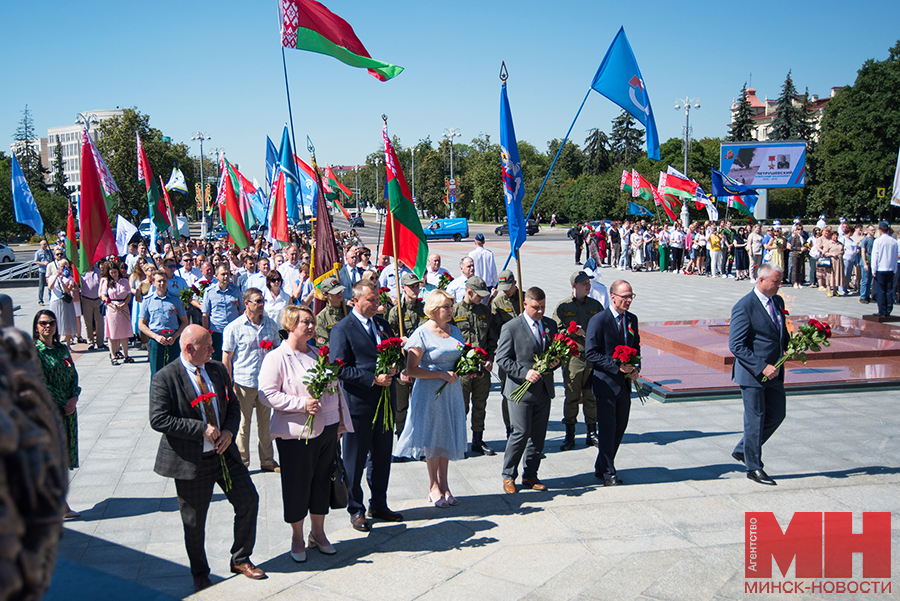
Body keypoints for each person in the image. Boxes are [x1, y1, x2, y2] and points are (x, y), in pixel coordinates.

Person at [149, 325, 265, 592]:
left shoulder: (216, 369)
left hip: (224, 454)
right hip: (192, 461)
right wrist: (200, 429)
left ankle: (241, 559)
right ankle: (200, 572)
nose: (213, 350)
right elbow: (158, 418)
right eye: (208, 346)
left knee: (248, 499)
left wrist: (227, 431)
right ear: (189, 348)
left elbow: (233, 405)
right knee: (194, 521)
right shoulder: (166, 377)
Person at [257, 305, 353, 562]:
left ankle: (318, 534)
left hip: (327, 429)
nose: (311, 327)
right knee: (298, 485)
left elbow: (335, 390)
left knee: (322, 481)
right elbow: (265, 394)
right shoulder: (277, 357)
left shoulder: (319, 354)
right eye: (305, 322)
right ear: (290, 325)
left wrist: (339, 424)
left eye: (312, 322)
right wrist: (301, 404)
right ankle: (297, 537)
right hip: (296, 433)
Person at [328, 279, 402, 532]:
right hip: (359, 405)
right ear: (355, 300)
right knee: (354, 460)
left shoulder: (382, 324)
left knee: (382, 458)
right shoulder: (343, 328)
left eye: (377, 299)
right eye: (370, 300)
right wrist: (372, 379)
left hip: (384, 405)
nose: (376, 304)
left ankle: (379, 503)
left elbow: (397, 355)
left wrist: (395, 366)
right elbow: (337, 367)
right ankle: (356, 509)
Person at [394, 289, 466, 506]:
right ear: (433, 310)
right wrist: (439, 374)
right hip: (429, 392)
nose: (450, 310)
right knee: (433, 438)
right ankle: (432, 485)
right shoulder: (421, 333)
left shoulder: (455, 331)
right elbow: (411, 370)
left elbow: (461, 356)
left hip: (451, 391)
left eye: (451, 306)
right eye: (446, 307)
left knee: (447, 435)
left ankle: (445, 484)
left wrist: (468, 366)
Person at [729, 264, 789, 486]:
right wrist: (761, 366)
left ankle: (743, 449)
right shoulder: (744, 306)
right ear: (761, 280)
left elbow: (779, 331)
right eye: (776, 281)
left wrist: (795, 345)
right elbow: (735, 345)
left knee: (777, 414)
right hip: (753, 374)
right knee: (755, 420)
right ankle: (754, 467)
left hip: (775, 372)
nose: (779, 284)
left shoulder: (777, 301)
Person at [496, 287, 560, 493]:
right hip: (519, 391)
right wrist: (525, 373)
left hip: (543, 389)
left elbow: (554, 353)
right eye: (535, 307)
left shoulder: (550, 325)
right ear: (525, 305)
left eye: (543, 307)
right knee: (520, 433)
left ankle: (531, 474)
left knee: (538, 435)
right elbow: (502, 359)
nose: (540, 311)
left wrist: (556, 362)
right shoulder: (512, 327)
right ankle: (508, 475)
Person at [585, 280, 640, 487]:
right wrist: (617, 366)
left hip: (624, 384)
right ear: (613, 297)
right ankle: (609, 472)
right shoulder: (599, 320)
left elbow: (636, 348)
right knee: (607, 429)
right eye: (625, 296)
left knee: (620, 427)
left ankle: (601, 465)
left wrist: (635, 369)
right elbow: (591, 353)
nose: (628, 301)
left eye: (631, 296)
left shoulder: (631, 320)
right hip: (605, 383)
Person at [223, 287, 281, 473]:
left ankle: (267, 460)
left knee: (266, 424)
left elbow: (278, 353)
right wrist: (229, 384)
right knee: (243, 425)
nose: (261, 304)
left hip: (266, 383)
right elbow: (227, 359)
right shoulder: (234, 327)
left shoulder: (271, 325)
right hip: (243, 383)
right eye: (257, 301)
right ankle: (242, 462)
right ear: (246, 304)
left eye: (262, 301)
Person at [33, 309, 81, 519]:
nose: (47, 326)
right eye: (43, 323)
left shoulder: (62, 349)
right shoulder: (35, 352)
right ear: (36, 327)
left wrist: (74, 397)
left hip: (67, 411)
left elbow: (73, 375)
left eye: (51, 323)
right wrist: (64, 401)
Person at [554, 271, 603, 450]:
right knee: (572, 396)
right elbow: (556, 331)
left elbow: (603, 327)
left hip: (591, 357)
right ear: (574, 285)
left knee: (591, 396)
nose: (587, 286)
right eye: (583, 283)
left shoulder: (595, 305)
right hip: (573, 358)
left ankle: (592, 433)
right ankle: (570, 435)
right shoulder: (564, 307)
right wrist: (571, 332)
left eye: (588, 283)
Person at [452, 276, 499, 456]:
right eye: (478, 295)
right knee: (460, 408)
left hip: (481, 369)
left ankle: (478, 441)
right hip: (462, 370)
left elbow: (492, 338)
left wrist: (490, 357)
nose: (481, 298)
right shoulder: (454, 311)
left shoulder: (485, 311)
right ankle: (459, 441)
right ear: (469, 292)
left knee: (480, 406)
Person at [388, 273, 427, 443]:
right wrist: (403, 369)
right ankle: (402, 441)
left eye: (417, 286)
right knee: (401, 407)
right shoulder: (396, 312)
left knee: (421, 406)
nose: (415, 289)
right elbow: (391, 344)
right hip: (403, 367)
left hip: (422, 367)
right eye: (411, 286)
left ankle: (419, 441)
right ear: (402, 288)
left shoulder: (425, 309)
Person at [139, 270, 188, 376]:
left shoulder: (175, 299)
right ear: (153, 283)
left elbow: (184, 322)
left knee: (175, 372)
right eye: (159, 281)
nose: (162, 283)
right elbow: (141, 324)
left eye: (164, 281)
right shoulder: (148, 300)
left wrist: (175, 336)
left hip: (173, 340)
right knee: (156, 373)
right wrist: (155, 337)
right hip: (156, 340)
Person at [491, 270, 520, 437]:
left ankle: (525, 429)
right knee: (506, 393)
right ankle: (510, 428)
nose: (506, 291)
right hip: (508, 353)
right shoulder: (498, 302)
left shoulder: (526, 298)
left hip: (525, 353)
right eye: (503, 288)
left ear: (515, 283)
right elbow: (494, 330)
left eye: (508, 287)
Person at [202, 263, 243, 361]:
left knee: (233, 358)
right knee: (217, 359)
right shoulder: (209, 292)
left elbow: (241, 310)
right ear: (216, 276)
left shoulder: (235, 290)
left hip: (233, 331)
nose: (226, 277)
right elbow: (205, 314)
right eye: (223, 274)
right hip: (217, 331)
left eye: (227, 274)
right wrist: (206, 334)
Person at [99, 261, 133, 365]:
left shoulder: (125, 282)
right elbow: (103, 296)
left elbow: (129, 295)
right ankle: (113, 355)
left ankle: (126, 354)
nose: (114, 274)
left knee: (124, 332)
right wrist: (112, 305)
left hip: (123, 307)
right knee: (112, 333)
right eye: (111, 272)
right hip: (112, 308)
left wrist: (124, 304)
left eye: (115, 272)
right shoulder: (106, 282)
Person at [46, 253, 77, 347]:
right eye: (60, 267)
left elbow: (68, 290)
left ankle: (68, 344)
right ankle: (57, 343)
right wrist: (56, 277)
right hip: (55, 301)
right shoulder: (52, 277)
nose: (61, 269)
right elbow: (50, 287)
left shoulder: (69, 278)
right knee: (56, 323)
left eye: (64, 267)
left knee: (67, 323)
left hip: (65, 302)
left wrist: (62, 281)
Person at [871, 221, 899, 317]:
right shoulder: (894, 241)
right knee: (889, 290)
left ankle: (882, 310)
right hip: (890, 268)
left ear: (880, 230)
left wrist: (873, 270)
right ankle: (888, 309)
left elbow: (875, 256)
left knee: (881, 291)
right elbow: (895, 257)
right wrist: (895, 269)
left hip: (880, 268)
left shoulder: (878, 241)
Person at [315, 276, 349, 347]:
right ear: (325, 295)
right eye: (335, 292)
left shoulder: (351, 311)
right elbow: (323, 344)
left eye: (340, 291)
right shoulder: (321, 318)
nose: (339, 294)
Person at [80, 260, 105, 350]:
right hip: (86, 299)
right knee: (88, 322)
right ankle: (90, 342)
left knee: (100, 321)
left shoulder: (99, 272)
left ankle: (100, 342)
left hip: (98, 299)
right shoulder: (82, 272)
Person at [859, 224, 876, 304]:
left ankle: (867, 295)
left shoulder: (875, 240)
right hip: (866, 261)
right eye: (872, 230)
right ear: (868, 230)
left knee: (870, 280)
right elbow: (863, 251)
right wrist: (865, 263)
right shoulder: (865, 239)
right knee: (865, 280)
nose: (873, 231)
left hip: (872, 262)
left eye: (874, 230)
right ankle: (862, 296)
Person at [34, 240, 54, 306]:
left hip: (49, 271)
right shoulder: (38, 252)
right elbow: (36, 261)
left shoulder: (49, 252)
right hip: (42, 271)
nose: (45, 245)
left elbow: (53, 259)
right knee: (41, 286)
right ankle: (40, 300)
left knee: (50, 285)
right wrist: (43, 263)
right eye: (44, 244)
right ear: (41, 245)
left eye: (46, 244)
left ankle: (51, 298)